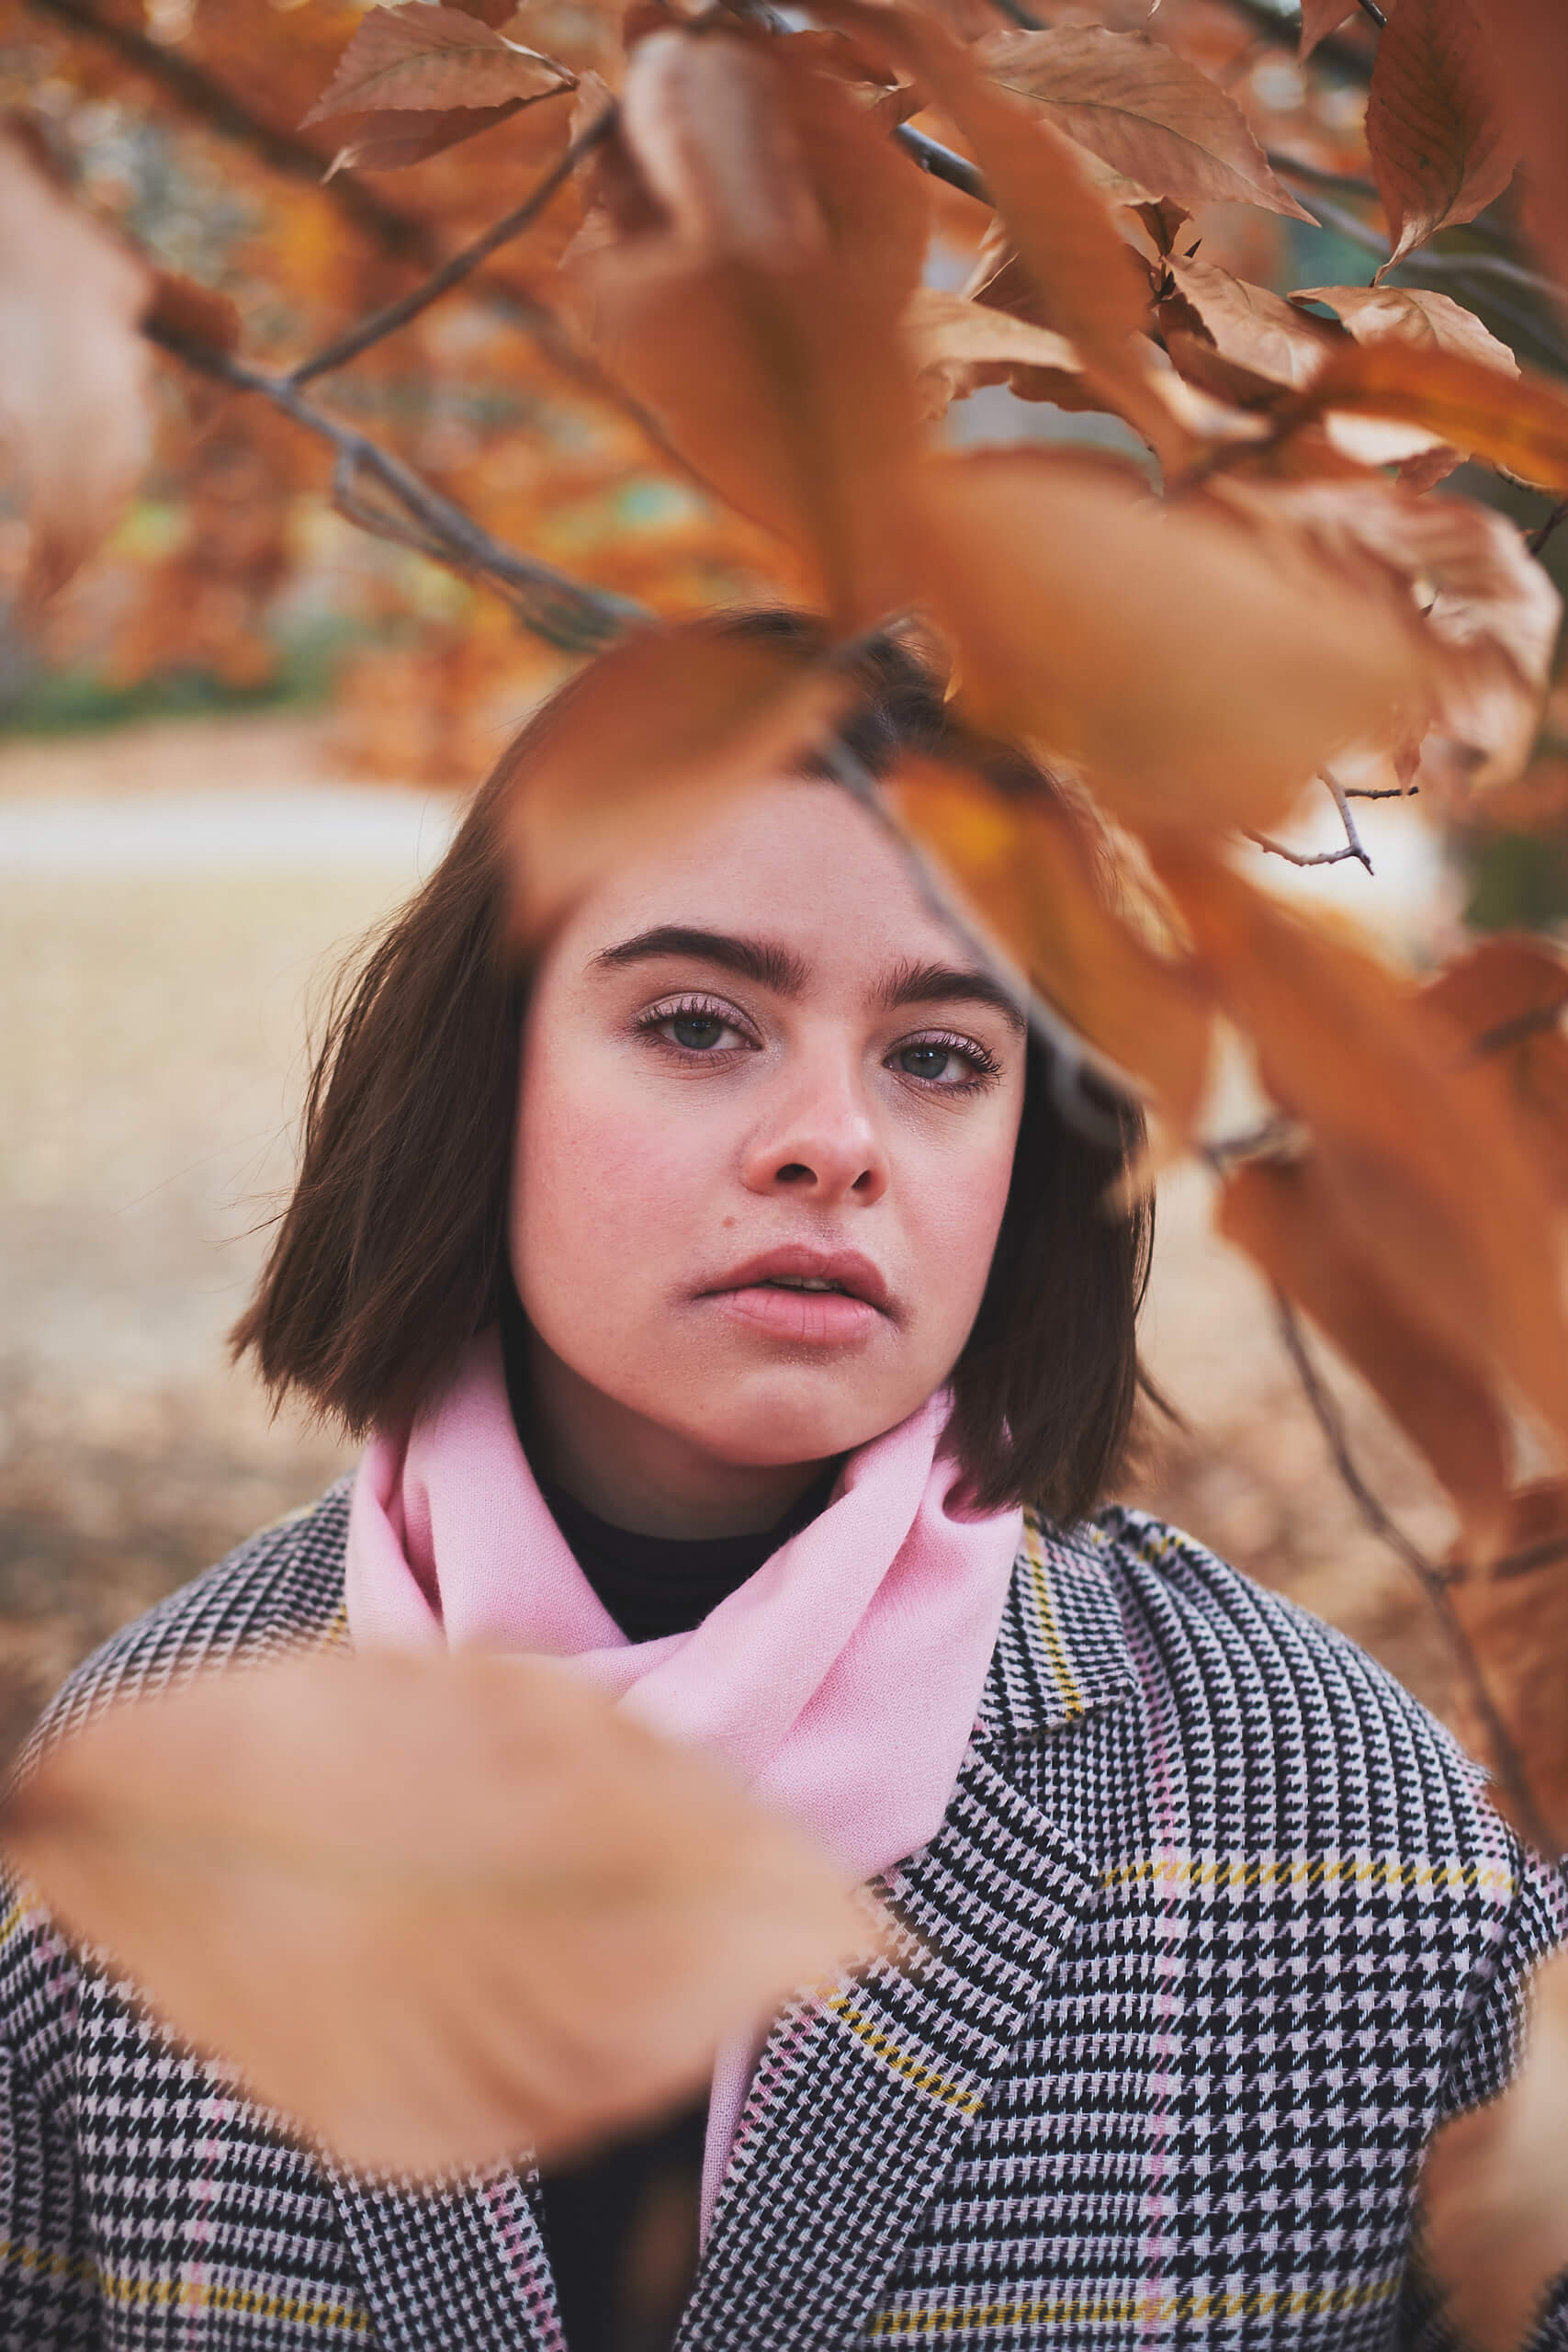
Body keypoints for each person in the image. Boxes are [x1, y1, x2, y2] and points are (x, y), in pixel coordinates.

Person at [1, 613, 1563, 2352]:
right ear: (482, 1073)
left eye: (944, 1056)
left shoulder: (1344, 1833)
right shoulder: (130, 1817)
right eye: (698, 1023)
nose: (837, 1137)